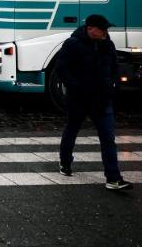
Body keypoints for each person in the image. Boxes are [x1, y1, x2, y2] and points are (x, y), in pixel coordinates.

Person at [57, 14, 132, 190]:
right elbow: (62, 68)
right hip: (79, 98)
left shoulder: (108, 44)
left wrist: (112, 85)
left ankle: (113, 178)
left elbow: (114, 66)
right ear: (91, 29)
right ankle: (65, 162)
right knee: (72, 130)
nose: (106, 32)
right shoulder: (73, 44)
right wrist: (75, 87)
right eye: (102, 29)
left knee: (108, 137)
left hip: (102, 98)